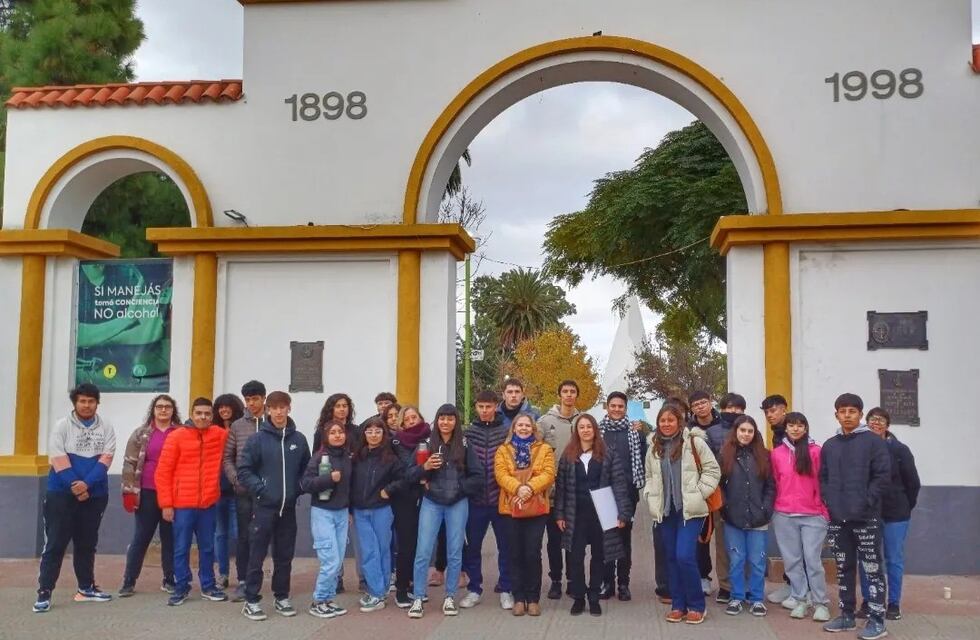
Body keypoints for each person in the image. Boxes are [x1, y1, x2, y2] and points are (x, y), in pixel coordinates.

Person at [34, 384, 116, 613]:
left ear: (97, 403)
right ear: (75, 403)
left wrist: (87, 485)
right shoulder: (62, 426)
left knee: (87, 544)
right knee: (55, 544)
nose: (87, 405)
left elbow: (107, 459)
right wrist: (77, 488)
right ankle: (44, 591)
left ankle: (86, 588)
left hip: (95, 494)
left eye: (91, 401)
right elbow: (58, 459)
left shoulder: (106, 426)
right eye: (82, 401)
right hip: (61, 494)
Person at [819, 393, 891, 640]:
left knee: (872, 569)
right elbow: (824, 478)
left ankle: (877, 619)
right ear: (836, 415)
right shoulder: (830, 445)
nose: (847, 415)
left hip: (866, 518)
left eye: (852, 411)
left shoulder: (873, 442)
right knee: (843, 568)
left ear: (860, 414)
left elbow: (882, 477)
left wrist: (866, 503)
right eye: (842, 411)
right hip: (838, 519)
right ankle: (847, 615)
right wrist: (830, 503)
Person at [642, 403, 720, 625]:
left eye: (670, 420)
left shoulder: (694, 442)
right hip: (665, 512)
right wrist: (650, 495)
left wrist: (700, 493)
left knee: (684, 556)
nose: (666, 424)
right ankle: (678, 604)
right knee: (671, 558)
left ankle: (696, 605)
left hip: (690, 511)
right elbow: (649, 475)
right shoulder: (654, 446)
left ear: (679, 421)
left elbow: (713, 470)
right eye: (662, 421)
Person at [237, 391, 311, 621]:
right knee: (256, 555)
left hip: (287, 510)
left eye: (283, 407)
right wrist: (261, 490)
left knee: (284, 556)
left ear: (289, 408)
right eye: (274, 407)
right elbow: (244, 471)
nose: (279, 412)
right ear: (268, 410)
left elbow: (306, 471)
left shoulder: (299, 439)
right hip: (263, 508)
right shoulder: (257, 439)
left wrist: (296, 489)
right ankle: (251, 600)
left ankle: (282, 597)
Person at [554, 413, 633, 617]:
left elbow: (619, 485)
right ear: (576, 431)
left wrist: (623, 514)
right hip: (575, 514)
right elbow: (561, 488)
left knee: (600, 557)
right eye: (582, 427)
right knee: (575, 557)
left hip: (601, 514)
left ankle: (594, 596)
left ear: (595, 429)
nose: (586, 430)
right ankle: (579, 597)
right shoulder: (568, 454)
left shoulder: (608, 453)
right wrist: (560, 514)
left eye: (589, 426)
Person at [406, 404, 480, 619]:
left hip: (457, 503)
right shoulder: (426, 444)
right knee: (423, 551)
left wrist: (460, 489)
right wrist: (425, 467)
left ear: (456, 421)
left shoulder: (465, 445)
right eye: (442, 418)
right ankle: (418, 597)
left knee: (455, 551)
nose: (445, 422)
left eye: (450, 419)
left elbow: (477, 476)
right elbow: (410, 474)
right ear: (436, 420)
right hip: (432, 502)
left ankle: (450, 596)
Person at [155, 397, 228, 606]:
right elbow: (163, 472)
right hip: (182, 504)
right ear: (192, 413)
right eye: (199, 413)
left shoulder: (220, 435)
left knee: (207, 547)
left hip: (208, 504)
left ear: (211, 415)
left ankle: (208, 585)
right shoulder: (176, 436)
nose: (203, 417)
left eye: (207, 413)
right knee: (181, 547)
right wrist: (166, 504)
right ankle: (181, 587)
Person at [856, 407, 920, 622]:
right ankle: (869, 600)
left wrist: (904, 506)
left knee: (893, 559)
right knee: (868, 559)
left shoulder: (900, 450)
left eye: (881, 420)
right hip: (868, 513)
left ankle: (893, 603)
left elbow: (913, 483)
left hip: (896, 514)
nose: (876, 423)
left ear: (888, 424)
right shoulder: (861, 448)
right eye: (872, 419)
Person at [770, 411, 831, 622]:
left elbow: (824, 481)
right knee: (792, 561)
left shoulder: (816, 451)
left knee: (812, 561)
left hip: (813, 515)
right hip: (784, 515)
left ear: (805, 428)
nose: (796, 428)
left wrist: (823, 510)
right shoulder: (776, 454)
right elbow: (775, 482)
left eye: (800, 425)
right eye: (791, 425)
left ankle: (821, 602)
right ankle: (800, 599)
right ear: (785, 428)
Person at [494, 413, 556, 617]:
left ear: (533, 428)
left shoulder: (544, 449)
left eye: (527, 425)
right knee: (515, 552)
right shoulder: (503, 450)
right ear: (513, 428)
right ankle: (519, 597)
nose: (523, 428)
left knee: (532, 552)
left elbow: (548, 474)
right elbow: (501, 474)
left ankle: (533, 598)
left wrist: (529, 487)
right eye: (519, 425)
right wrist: (518, 488)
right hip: (510, 508)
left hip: (536, 508)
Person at [119, 394, 182, 597]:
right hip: (146, 491)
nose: (163, 410)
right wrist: (128, 491)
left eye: (167, 407)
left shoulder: (181, 433)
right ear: (153, 410)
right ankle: (129, 581)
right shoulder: (141, 433)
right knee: (141, 537)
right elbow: (129, 462)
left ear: (173, 410)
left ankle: (169, 579)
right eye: (159, 407)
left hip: (173, 494)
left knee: (169, 538)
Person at [460, 390, 515, 610]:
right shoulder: (468, 433)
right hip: (475, 501)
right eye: (481, 406)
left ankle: (506, 588)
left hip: (501, 499)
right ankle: (474, 588)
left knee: (506, 547)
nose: (484, 410)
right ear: (476, 407)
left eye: (488, 406)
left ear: (495, 406)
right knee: (472, 547)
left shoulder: (506, 432)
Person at [717, 415, 775, 617]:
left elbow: (770, 487)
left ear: (755, 433)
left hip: (759, 517)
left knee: (757, 560)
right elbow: (719, 485)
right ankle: (737, 596)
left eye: (750, 431)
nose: (746, 434)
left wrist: (767, 509)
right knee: (736, 559)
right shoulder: (725, 455)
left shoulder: (764, 455)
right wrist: (725, 507)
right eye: (742, 430)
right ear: (736, 432)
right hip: (733, 517)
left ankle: (757, 598)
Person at [350, 416, 406, 612]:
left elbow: (403, 480)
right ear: (364, 434)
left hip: (382, 510)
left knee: (382, 550)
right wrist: (350, 509)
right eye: (369, 431)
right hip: (360, 511)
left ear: (384, 434)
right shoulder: (357, 457)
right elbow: (350, 484)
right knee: (368, 551)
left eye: (378, 431)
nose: (373, 435)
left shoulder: (391, 458)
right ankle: (376, 591)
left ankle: (379, 592)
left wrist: (388, 490)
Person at [300, 420, 353, 619]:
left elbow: (349, 487)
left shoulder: (348, 458)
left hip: (341, 513)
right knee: (330, 560)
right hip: (323, 513)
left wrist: (349, 511)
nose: (338, 435)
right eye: (333, 432)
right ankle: (319, 600)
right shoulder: (319, 457)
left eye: (340, 432)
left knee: (338, 561)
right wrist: (329, 479)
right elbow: (305, 483)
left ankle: (328, 600)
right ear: (326, 437)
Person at [536, 379, 581, 600]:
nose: (569, 395)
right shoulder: (545, 422)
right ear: (559, 395)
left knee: (573, 539)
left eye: (573, 392)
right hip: (551, 492)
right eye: (565, 391)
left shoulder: (584, 421)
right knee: (553, 540)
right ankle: (556, 580)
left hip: (575, 492)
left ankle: (574, 580)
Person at [597, 391, 645, 601]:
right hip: (603, 493)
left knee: (624, 539)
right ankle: (607, 583)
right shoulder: (597, 432)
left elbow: (642, 458)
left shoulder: (635, 433)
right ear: (606, 407)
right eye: (613, 406)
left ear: (626, 409)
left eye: (621, 406)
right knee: (606, 539)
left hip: (627, 492)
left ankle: (623, 583)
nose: (617, 409)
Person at [222, 379, 266, 602]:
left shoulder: (275, 422)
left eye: (255, 399)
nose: (252, 403)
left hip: (269, 491)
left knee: (268, 535)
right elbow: (227, 457)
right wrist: (235, 478)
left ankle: (273, 581)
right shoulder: (238, 426)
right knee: (244, 536)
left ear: (263, 399)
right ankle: (243, 581)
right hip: (244, 491)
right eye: (248, 399)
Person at [704, 392, 746, 603]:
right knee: (723, 544)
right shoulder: (712, 433)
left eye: (738, 409)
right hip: (721, 495)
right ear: (722, 409)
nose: (734, 412)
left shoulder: (748, 431)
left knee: (745, 543)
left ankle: (744, 585)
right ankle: (725, 586)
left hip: (746, 496)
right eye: (729, 408)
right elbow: (708, 466)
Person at [389, 405, 431, 608]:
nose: (412, 421)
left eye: (415, 417)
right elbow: (405, 470)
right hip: (404, 497)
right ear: (402, 423)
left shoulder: (431, 438)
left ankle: (417, 585)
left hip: (426, 497)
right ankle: (402, 588)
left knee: (422, 544)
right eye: (408, 419)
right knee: (406, 544)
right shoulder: (397, 441)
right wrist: (423, 471)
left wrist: (426, 474)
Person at [688, 390, 722, 598]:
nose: (700, 407)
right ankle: (703, 576)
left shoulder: (724, 426)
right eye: (695, 404)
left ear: (710, 403)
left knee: (725, 539)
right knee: (702, 536)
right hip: (700, 490)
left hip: (724, 487)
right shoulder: (688, 430)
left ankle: (729, 584)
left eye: (703, 402)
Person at [760, 392, 793, 606]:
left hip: (796, 501)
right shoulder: (777, 433)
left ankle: (800, 589)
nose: (770, 415)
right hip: (783, 497)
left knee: (797, 549)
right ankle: (791, 586)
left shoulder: (791, 431)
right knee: (788, 547)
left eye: (773, 410)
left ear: (784, 409)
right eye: (767, 412)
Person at [212, 393, 244, 589]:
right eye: (220, 407)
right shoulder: (212, 430)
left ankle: (242, 576)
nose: (224, 410)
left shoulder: (241, 428)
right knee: (220, 534)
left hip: (236, 489)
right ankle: (223, 574)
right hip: (216, 489)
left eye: (227, 406)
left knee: (238, 533)